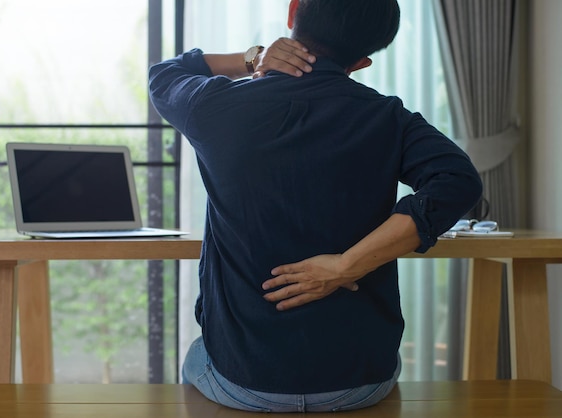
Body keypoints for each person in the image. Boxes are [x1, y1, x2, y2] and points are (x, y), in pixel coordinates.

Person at [149, 0, 482, 413]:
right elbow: (459, 181)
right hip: (360, 382)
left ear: (292, 13)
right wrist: (347, 265)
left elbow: (163, 76)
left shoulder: (215, 105)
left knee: (197, 357)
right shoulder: (388, 117)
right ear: (362, 61)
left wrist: (252, 57)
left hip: (245, 383)